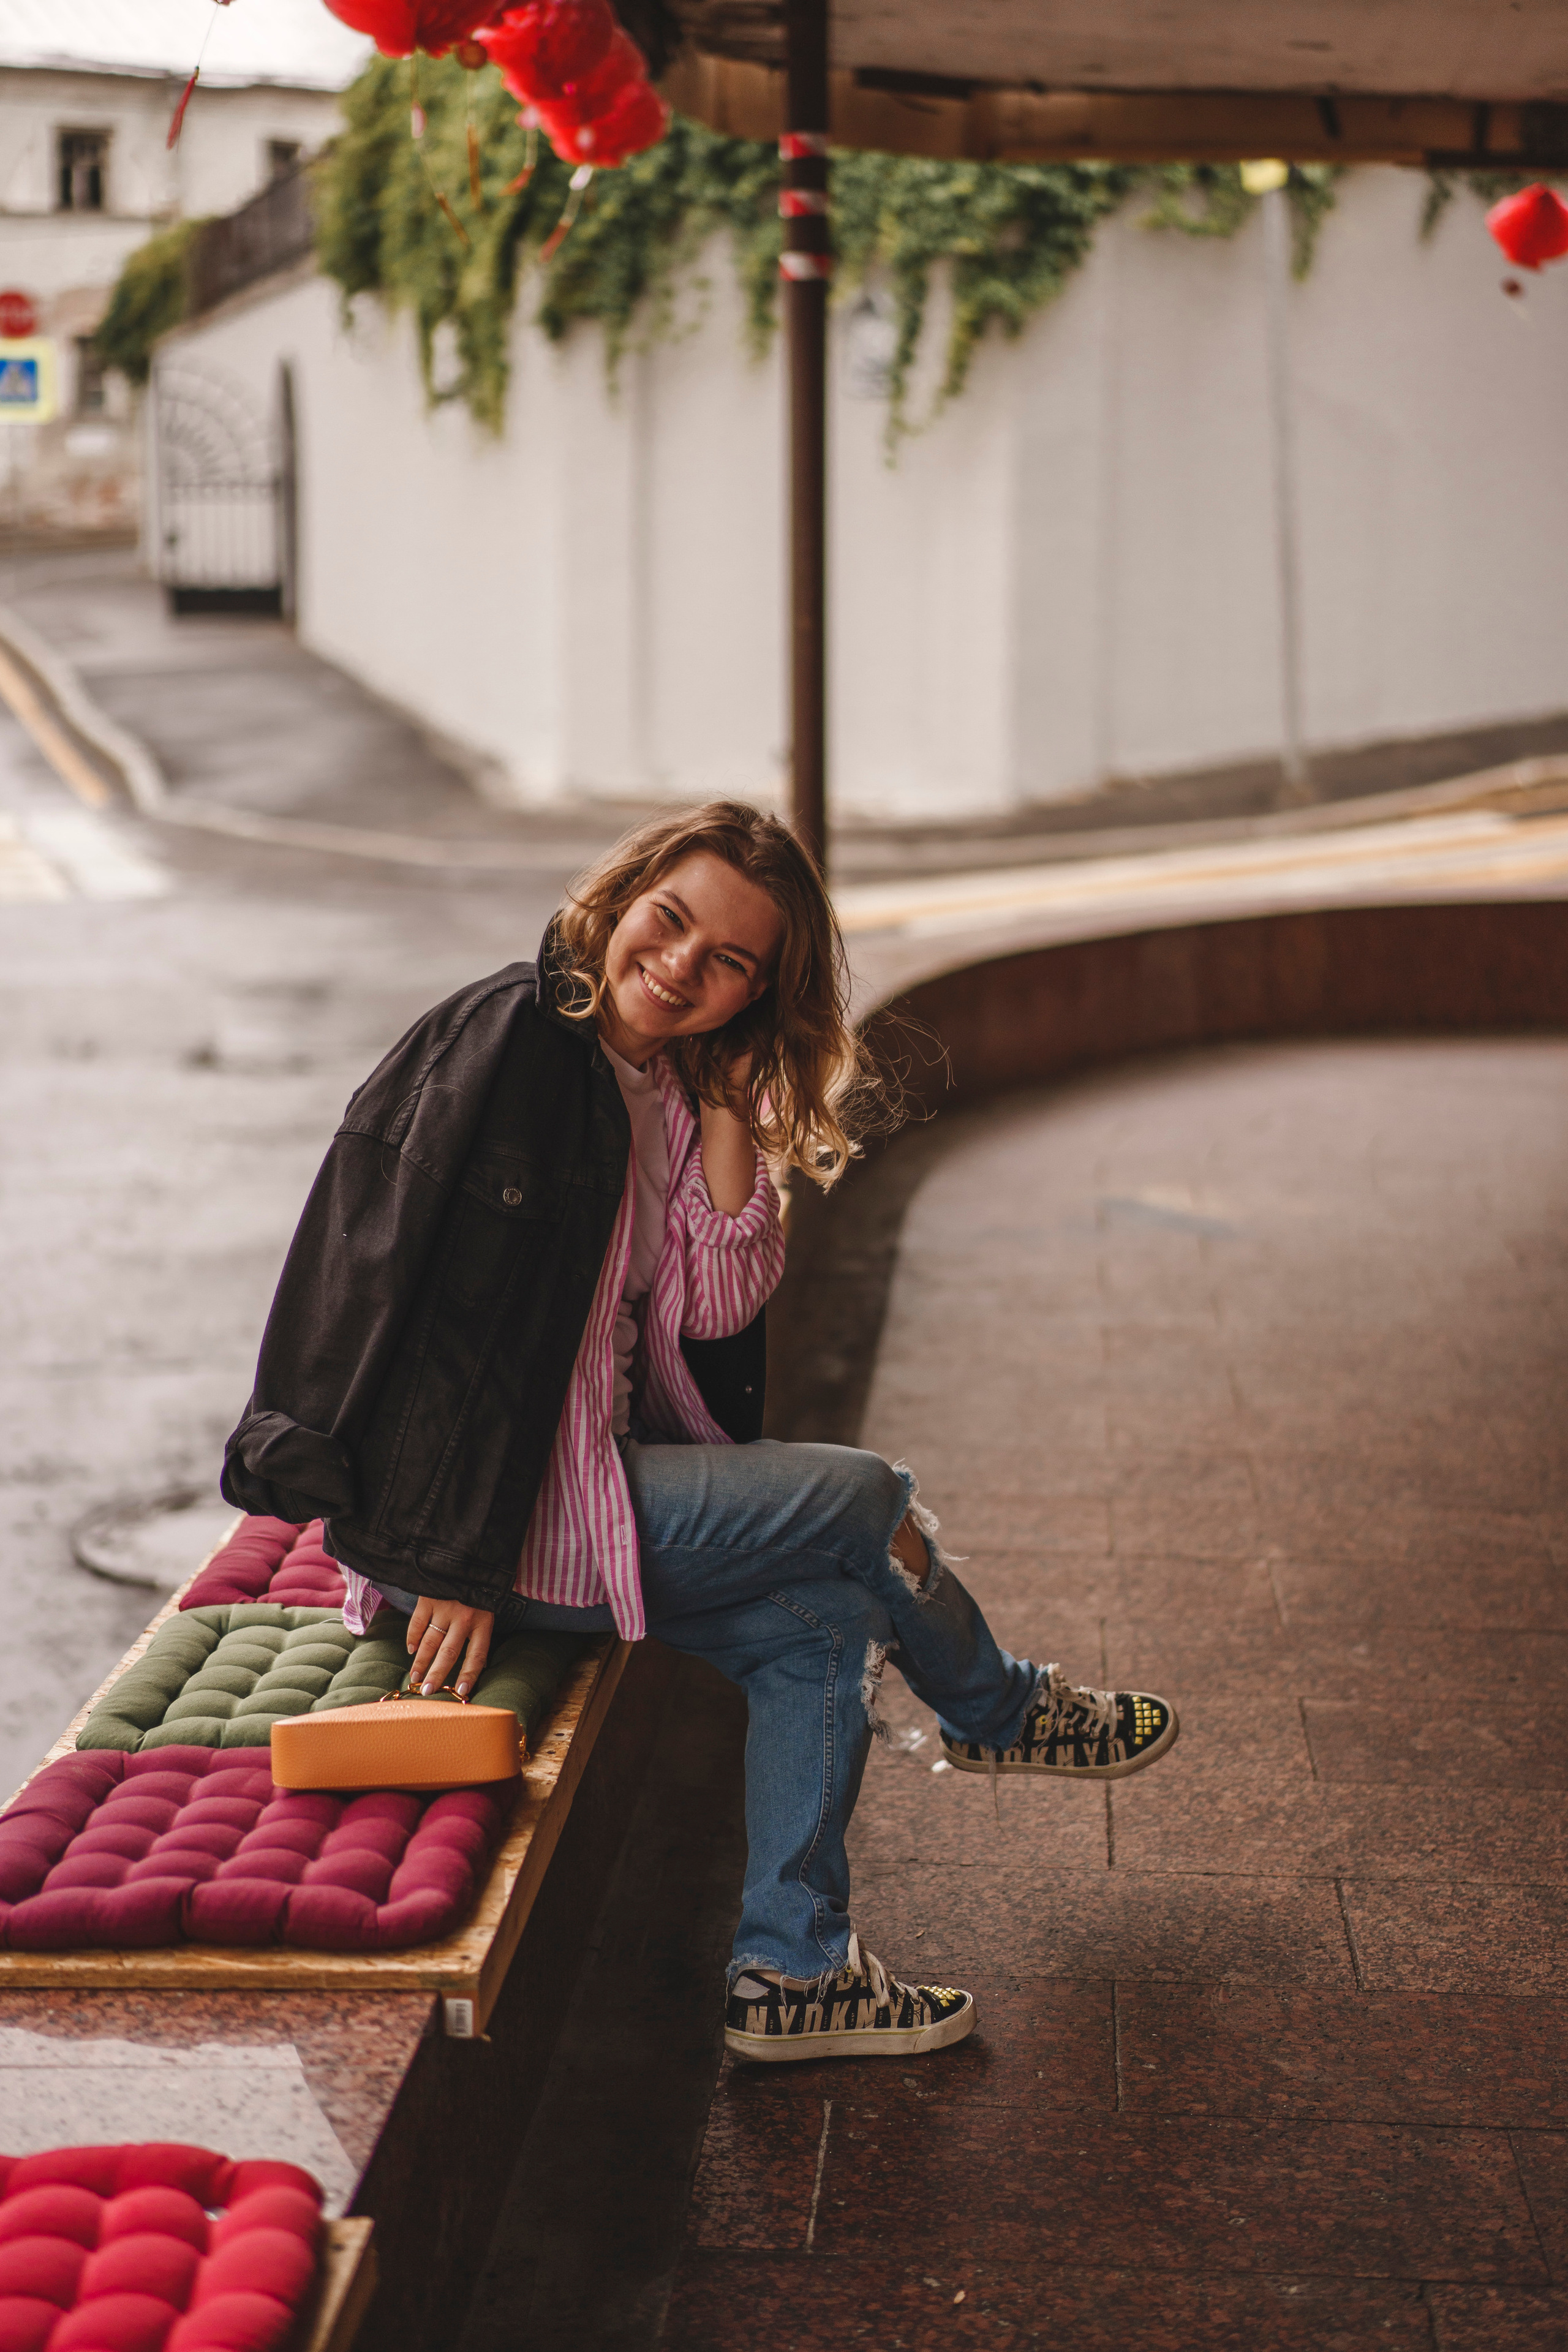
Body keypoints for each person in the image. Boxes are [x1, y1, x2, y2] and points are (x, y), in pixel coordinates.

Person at [223, 801, 1178, 2062]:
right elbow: (406, 1290)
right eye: (668, 922)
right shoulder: (510, 1037)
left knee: (820, 1631)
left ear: (753, 995)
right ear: (620, 900)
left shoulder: (665, 1089)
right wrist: (438, 1555)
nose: (679, 965)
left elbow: (719, 1299)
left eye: (728, 961)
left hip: (575, 1497)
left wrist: (731, 1104)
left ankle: (791, 1975)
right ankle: (995, 1709)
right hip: (482, 1523)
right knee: (862, 1499)